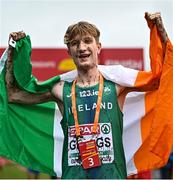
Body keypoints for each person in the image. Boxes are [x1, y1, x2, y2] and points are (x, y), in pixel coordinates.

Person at [5, 12, 168, 179]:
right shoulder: (60, 90)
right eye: (75, 43)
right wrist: (12, 54)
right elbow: (14, 95)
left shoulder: (117, 86)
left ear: (98, 46)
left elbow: (162, 79)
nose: (82, 48)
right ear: (69, 51)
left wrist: (160, 31)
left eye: (87, 41)